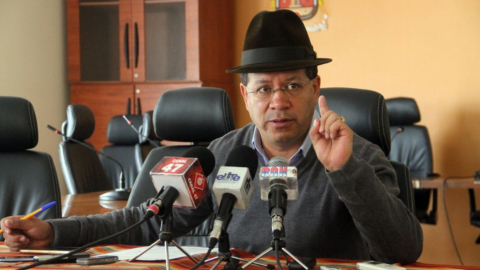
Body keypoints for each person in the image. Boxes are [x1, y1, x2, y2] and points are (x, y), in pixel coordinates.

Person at [1, 10, 422, 264]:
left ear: (316, 88)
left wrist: (343, 169)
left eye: (293, 86)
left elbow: (403, 249)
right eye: (263, 88)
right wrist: (54, 233)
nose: (278, 102)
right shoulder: (225, 156)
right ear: (245, 95)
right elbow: (149, 222)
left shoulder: (356, 154)